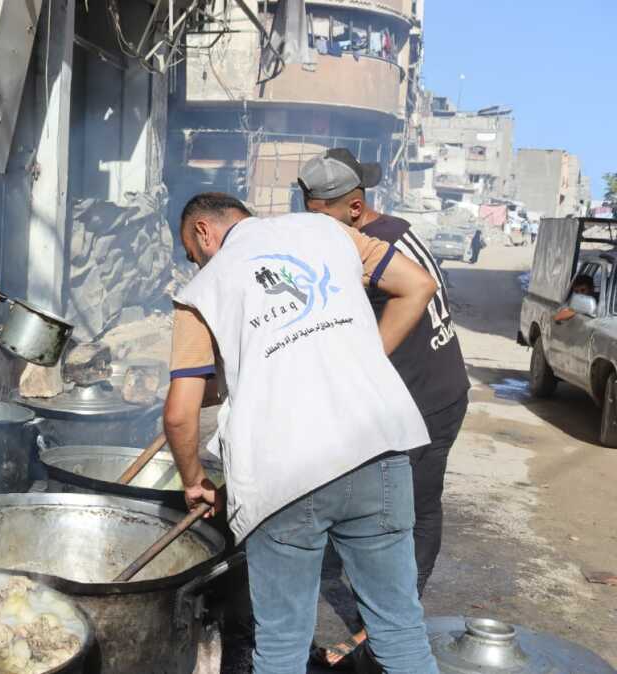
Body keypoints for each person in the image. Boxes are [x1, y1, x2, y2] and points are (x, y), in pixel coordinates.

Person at [165, 191, 440, 673]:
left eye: (193, 253)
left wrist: (194, 481)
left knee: (282, 647)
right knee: (400, 633)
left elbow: (179, 415)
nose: (197, 263)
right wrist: (363, 359)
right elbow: (417, 285)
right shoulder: (328, 231)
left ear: (204, 233)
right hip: (378, 445)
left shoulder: (203, 289)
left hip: (281, 472)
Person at [300, 148, 470, 669]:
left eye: (323, 218)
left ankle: (389, 625)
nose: (317, 230)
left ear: (354, 209)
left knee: (413, 510)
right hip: (434, 387)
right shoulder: (394, 229)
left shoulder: (374, 249)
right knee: (396, 503)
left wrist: (357, 366)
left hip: (427, 398)